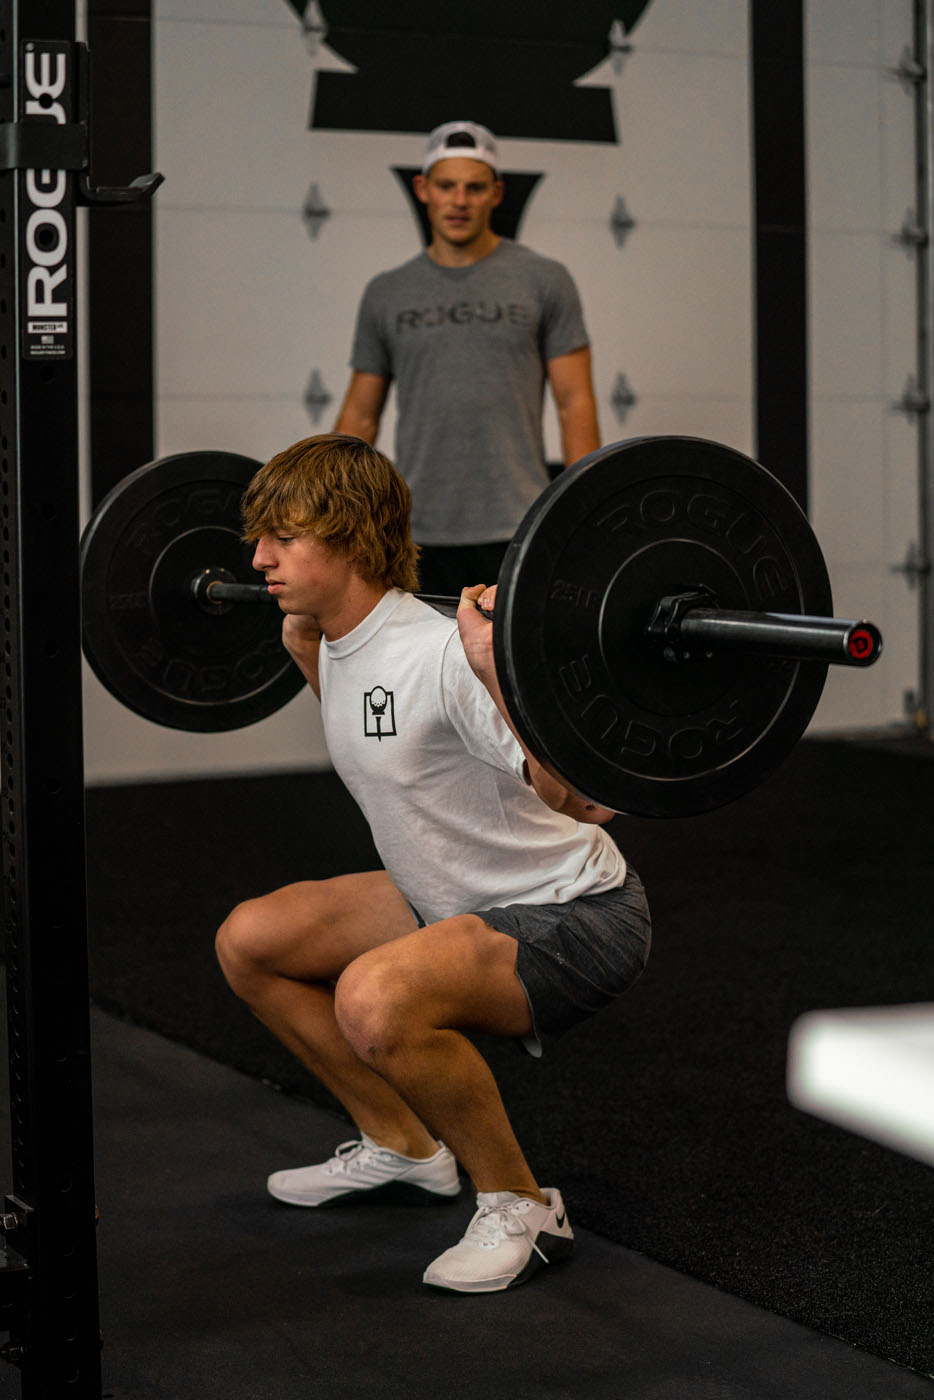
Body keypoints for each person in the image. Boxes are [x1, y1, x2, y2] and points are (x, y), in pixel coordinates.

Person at [215, 433, 651, 1294]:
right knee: (251, 941)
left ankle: (522, 1206)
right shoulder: (318, 639)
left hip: (569, 914)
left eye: (283, 538)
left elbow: (591, 801)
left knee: (372, 998)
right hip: (448, 896)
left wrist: (493, 671)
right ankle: (405, 1148)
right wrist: (306, 645)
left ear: (350, 538)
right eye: (256, 537)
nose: (258, 558)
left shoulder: (444, 655)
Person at [333, 119, 601, 596]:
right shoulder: (386, 292)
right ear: (423, 189)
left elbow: (574, 401)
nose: (459, 200)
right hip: (413, 528)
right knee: (420, 669)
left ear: (496, 194)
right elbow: (360, 413)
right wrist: (328, 507)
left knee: (506, 667)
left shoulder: (545, 279)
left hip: (518, 524)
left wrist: (581, 512)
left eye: (474, 188)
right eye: (447, 186)